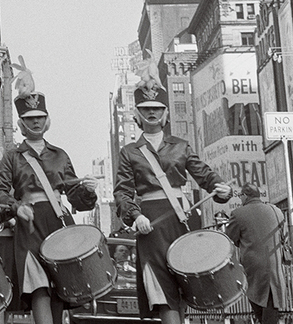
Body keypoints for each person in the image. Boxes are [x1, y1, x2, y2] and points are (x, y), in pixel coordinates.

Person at [114, 76, 232, 324]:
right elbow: (123, 192)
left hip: (183, 219)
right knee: (163, 288)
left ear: (165, 112)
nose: (152, 113)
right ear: (137, 114)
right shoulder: (129, 152)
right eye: (146, 109)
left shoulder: (181, 146)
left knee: (186, 285)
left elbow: (205, 175)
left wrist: (221, 189)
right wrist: (136, 216)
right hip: (151, 224)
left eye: (157, 108)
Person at [0, 59, 97, 324]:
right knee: (38, 284)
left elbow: (75, 196)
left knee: (60, 287)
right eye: (29, 119)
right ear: (22, 123)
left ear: (46, 120)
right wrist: (16, 207)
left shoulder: (60, 155)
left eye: (39, 118)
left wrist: (88, 191)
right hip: (29, 225)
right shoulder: (12, 157)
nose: (35, 123)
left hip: (58, 221)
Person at [226, 183, 287, 324]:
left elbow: (230, 238)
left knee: (261, 310)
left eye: (240, 196)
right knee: (270, 311)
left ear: (245, 196)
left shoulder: (238, 214)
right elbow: (283, 237)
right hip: (275, 267)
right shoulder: (276, 211)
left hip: (253, 270)